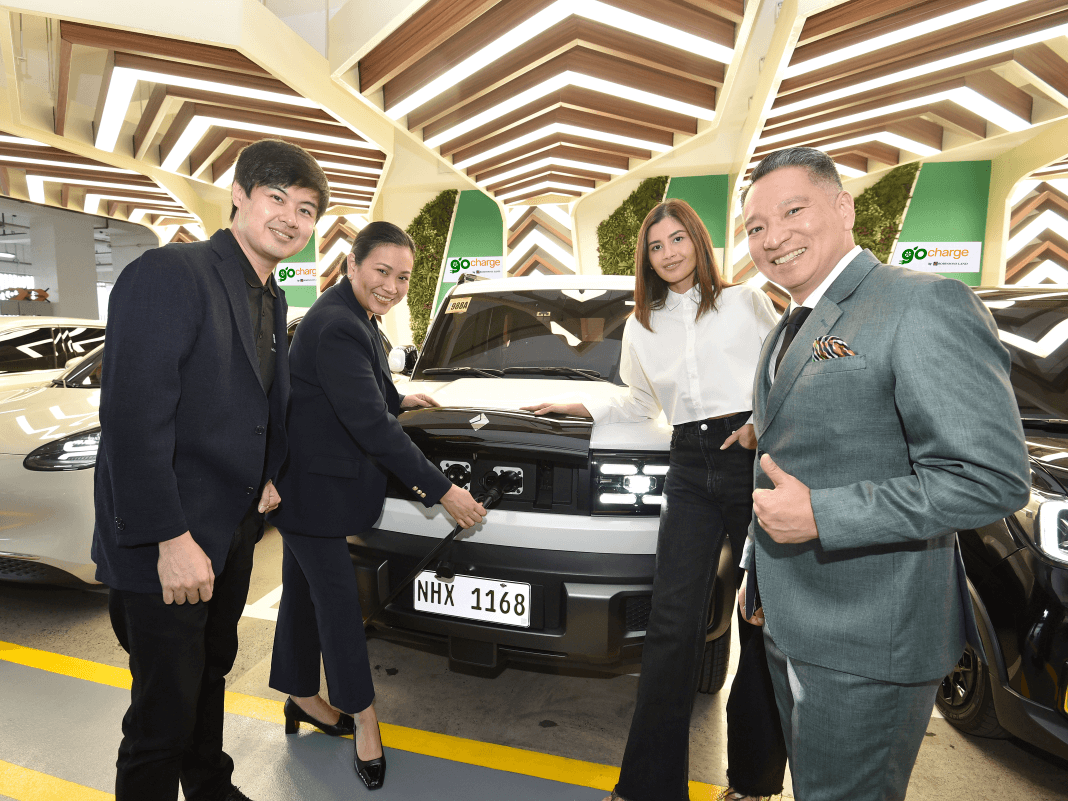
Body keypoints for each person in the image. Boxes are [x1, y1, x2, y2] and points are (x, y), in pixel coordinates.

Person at [738, 146, 1030, 801]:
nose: (772, 235)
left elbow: (991, 476)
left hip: (870, 639)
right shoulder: (786, 326)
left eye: (792, 210)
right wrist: (757, 573)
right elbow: (792, 457)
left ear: (843, 208)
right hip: (793, 621)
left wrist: (823, 514)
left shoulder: (922, 304)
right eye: (756, 227)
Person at [524, 199, 787, 801]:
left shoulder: (747, 303)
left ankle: (754, 783)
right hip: (689, 466)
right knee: (672, 625)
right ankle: (647, 788)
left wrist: (759, 423)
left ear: (698, 239)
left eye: (677, 240)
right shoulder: (642, 324)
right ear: (645, 256)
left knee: (760, 620)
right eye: (655, 246)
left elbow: (787, 376)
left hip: (752, 462)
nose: (668, 253)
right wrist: (577, 406)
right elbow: (639, 404)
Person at [92, 138, 329, 801]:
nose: (290, 217)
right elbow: (134, 419)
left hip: (230, 530)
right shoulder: (173, 273)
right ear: (240, 195)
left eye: (306, 209)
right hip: (167, 540)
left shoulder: (271, 299)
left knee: (210, 672)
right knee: (162, 708)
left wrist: (268, 471)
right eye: (277, 197)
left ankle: (208, 786)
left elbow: (251, 404)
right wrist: (169, 539)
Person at [267, 221, 487, 791]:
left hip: (311, 487)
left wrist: (399, 395)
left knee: (302, 593)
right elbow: (369, 423)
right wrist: (444, 490)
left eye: (404, 277)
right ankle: (364, 720)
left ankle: (299, 695)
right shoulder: (339, 323)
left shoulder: (354, 315)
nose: (392, 286)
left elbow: (368, 389)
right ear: (353, 266)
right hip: (315, 493)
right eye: (381, 272)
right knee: (339, 605)